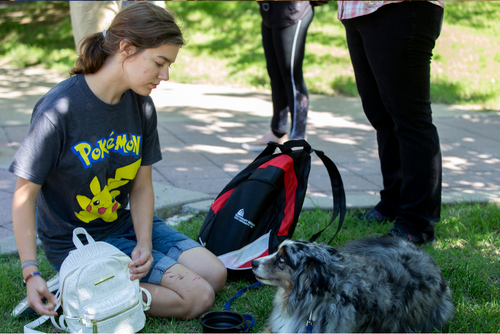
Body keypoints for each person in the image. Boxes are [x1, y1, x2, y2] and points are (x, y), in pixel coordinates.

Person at [10, 2, 226, 319]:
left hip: (121, 223)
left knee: (216, 274)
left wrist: (145, 243)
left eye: (169, 65)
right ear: (126, 48)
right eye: (159, 62)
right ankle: (75, 290)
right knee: (198, 297)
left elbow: (140, 188)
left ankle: (94, 286)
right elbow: (23, 195)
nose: (165, 75)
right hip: (78, 242)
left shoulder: (142, 106)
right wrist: (31, 271)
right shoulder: (60, 110)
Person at [337, 1, 444, 244]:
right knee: (381, 115)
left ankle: (417, 222)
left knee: (410, 118)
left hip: (399, 7)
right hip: (357, 11)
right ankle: (393, 202)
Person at [242, 1, 314, 151]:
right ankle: (277, 132)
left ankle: (298, 137)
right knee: (275, 74)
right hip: (270, 11)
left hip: (293, 12)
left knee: (291, 75)